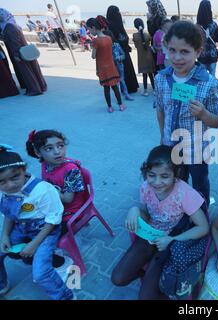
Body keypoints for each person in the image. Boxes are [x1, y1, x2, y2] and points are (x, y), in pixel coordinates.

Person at [111, 145, 209, 300]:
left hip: (172, 242)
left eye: (164, 176)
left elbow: (203, 227)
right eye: (152, 175)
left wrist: (172, 239)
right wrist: (135, 210)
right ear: (146, 173)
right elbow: (146, 210)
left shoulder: (185, 193)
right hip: (150, 235)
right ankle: (152, 276)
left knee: (146, 296)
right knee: (118, 278)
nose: (157, 182)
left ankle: (161, 285)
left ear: (176, 174)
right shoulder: (145, 187)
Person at [155, 20, 218, 206]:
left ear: (198, 52)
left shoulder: (209, 83)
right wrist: (163, 138)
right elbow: (161, 110)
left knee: (200, 183)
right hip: (171, 146)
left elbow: (217, 121)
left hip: (197, 150)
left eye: (184, 51)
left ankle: (202, 214)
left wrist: (203, 114)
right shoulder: (161, 79)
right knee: (177, 182)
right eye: (172, 50)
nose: (177, 57)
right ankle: (182, 213)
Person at [0, 145, 74, 300]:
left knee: (40, 274)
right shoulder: (6, 190)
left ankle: (65, 296)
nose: (10, 185)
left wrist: (34, 244)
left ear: (24, 170)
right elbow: (9, 214)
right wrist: (4, 235)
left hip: (46, 229)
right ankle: (2, 284)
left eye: (15, 177)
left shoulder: (43, 190)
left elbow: (53, 220)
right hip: (21, 227)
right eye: (2, 182)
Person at [25, 130, 88, 235]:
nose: (57, 151)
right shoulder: (45, 164)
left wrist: (47, 188)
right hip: (53, 204)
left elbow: (68, 199)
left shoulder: (71, 170)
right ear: (38, 153)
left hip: (69, 211)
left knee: (42, 234)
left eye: (60, 146)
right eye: (49, 148)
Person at [0, 8, 47, 96]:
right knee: (32, 66)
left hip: (16, 46)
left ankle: (34, 89)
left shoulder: (8, 26)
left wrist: (16, 54)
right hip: (22, 45)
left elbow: (14, 42)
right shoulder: (12, 23)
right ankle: (41, 86)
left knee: (25, 68)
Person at [86, 18, 125, 113]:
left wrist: (92, 47)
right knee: (115, 87)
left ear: (93, 27)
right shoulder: (109, 38)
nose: (89, 32)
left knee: (106, 88)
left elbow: (93, 56)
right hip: (111, 66)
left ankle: (110, 107)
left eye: (89, 30)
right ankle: (121, 105)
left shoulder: (96, 41)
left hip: (103, 68)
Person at [107, 5, 139, 94]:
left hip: (119, 51)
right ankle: (131, 87)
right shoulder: (116, 24)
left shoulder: (110, 25)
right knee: (126, 69)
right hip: (122, 51)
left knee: (123, 71)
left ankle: (127, 88)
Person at [196, 0, 218, 77]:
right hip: (212, 55)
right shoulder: (214, 24)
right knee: (212, 77)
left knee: (202, 78)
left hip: (201, 55)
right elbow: (217, 39)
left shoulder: (197, 26)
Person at [108, 30, 133, 101]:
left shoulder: (116, 45)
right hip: (112, 67)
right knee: (116, 83)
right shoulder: (106, 48)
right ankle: (118, 98)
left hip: (119, 65)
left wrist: (119, 58)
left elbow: (123, 54)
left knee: (122, 80)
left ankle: (126, 94)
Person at [133, 18, 155, 96]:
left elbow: (136, 46)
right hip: (149, 56)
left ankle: (145, 91)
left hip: (141, 57)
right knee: (151, 75)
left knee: (144, 75)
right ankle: (154, 90)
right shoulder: (147, 34)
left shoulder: (135, 35)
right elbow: (150, 42)